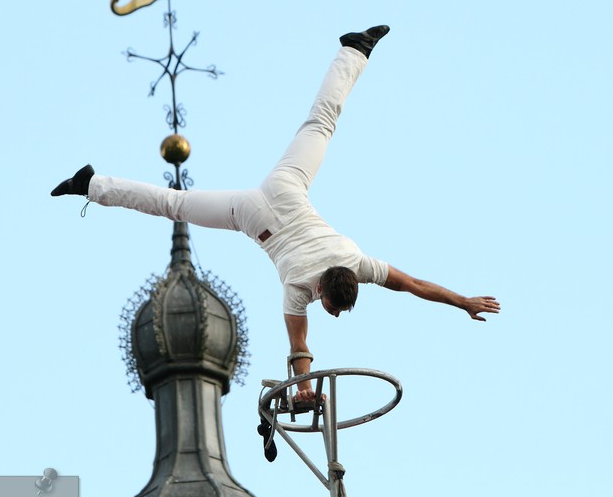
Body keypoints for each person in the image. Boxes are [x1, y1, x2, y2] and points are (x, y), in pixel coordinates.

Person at [52, 26, 500, 403]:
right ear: (325, 286)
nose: (337, 315)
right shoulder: (299, 286)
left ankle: (354, 50)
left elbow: (414, 286)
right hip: (255, 216)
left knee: (320, 125)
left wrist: (463, 300)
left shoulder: (356, 260)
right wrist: (304, 388)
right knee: (175, 205)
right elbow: (301, 344)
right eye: (334, 307)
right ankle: (89, 185)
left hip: (284, 191)